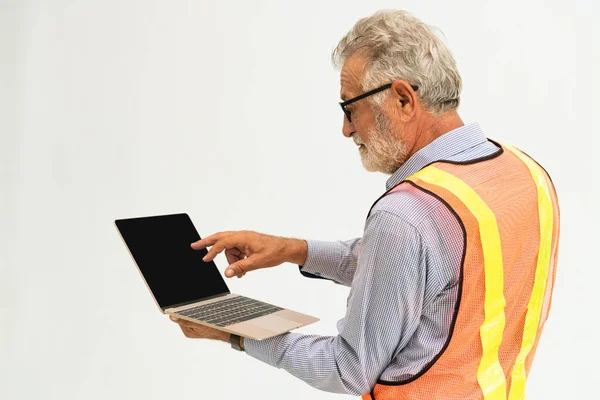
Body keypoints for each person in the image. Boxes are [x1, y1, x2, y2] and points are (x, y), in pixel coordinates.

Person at [170, 9, 560, 399]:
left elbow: (347, 369)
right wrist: (293, 251)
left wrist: (234, 333)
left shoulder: (406, 216)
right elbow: (425, 274)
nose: (346, 129)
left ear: (403, 99)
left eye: (349, 107)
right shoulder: (527, 174)